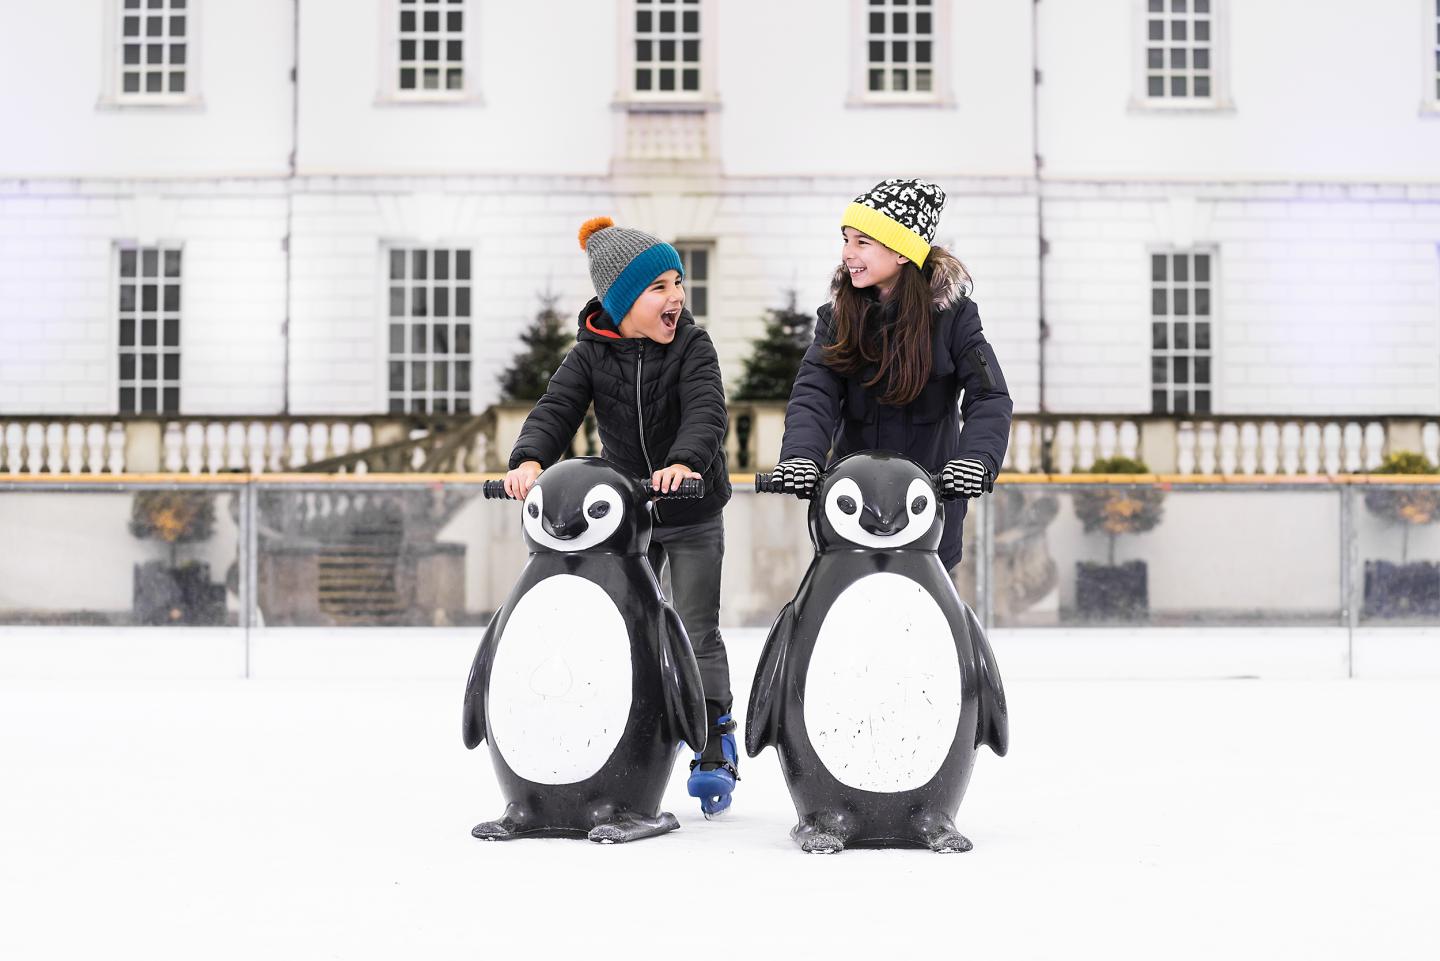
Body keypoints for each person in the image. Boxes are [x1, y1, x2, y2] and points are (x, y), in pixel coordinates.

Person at [503, 217, 740, 815]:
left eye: (678, 283)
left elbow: (707, 411)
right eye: (659, 287)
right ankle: (632, 731)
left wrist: (686, 462)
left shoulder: (693, 345)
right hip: (630, 521)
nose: (676, 298)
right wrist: (530, 460)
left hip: (691, 509)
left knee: (694, 624)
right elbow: (556, 409)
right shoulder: (589, 354)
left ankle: (715, 741)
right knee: (626, 630)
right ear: (621, 301)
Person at [774, 179, 1012, 571]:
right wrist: (801, 458)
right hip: (854, 502)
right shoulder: (836, 319)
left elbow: (989, 396)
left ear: (902, 252)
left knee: (929, 621)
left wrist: (975, 461)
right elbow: (814, 393)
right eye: (846, 240)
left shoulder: (953, 318)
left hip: (929, 503)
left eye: (862, 242)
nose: (847, 253)